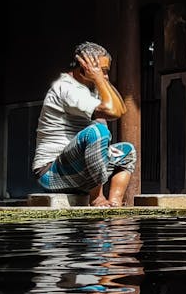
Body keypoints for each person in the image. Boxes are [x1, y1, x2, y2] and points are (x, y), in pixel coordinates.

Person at [32, 40, 136, 206]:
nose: (106, 76)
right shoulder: (66, 88)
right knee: (97, 131)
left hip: (79, 171)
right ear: (84, 67)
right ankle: (97, 198)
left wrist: (102, 80)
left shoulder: (92, 88)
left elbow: (121, 109)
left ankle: (114, 203)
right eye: (103, 71)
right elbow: (112, 111)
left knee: (128, 151)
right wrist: (99, 79)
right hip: (51, 172)